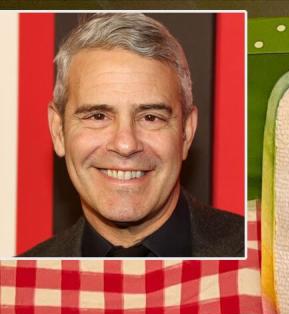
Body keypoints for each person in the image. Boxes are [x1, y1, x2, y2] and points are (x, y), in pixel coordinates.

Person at [20, 12, 244, 259]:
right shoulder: (17, 283)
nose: (126, 144)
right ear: (57, 130)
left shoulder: (261, 261)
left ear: (187, 132)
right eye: (98, 116)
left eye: (150, 117)